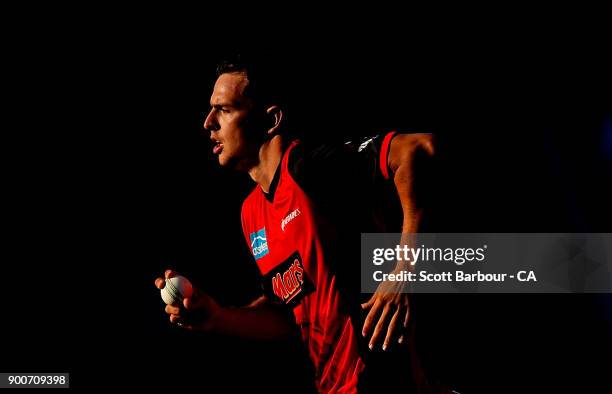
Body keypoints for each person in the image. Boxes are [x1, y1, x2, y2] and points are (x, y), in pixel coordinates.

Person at [154, 54, 447, 393]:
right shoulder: (252, 214)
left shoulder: (311, 168)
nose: (208, 123)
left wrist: (404, 273)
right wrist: (218, 316)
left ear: (271, 119)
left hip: (384, 378)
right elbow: (286, 315)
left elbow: (419, 149)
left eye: (225, 109)